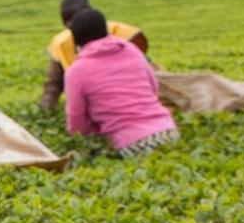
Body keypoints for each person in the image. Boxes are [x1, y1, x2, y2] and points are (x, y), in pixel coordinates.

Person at [64, 9, 178, 157]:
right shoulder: (130, 49)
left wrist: (87, 134)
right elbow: (153, 86)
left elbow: (76, 119)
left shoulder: (77, 71)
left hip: (132, 143)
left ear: (75, 39)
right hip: (168, 131)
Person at [38, 0, 147, 112]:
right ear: (65, 25)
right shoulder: (62, 44)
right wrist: (46, 106)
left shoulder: (119, 32)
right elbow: (54, 82)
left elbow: (144, 71)